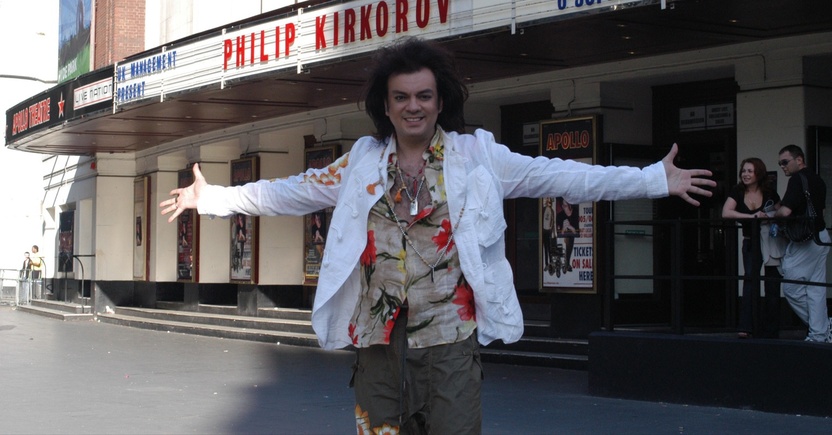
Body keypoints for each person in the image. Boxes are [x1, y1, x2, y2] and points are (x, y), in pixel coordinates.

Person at [160, 37, 716, 433]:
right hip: (377, 341)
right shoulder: (361, 162)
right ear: (386, 105)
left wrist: (652, 179)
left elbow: (561, 175)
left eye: (423, 96)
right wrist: (213, 199)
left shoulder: (477, 157)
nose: (413, 107)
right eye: (402, 97)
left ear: (440, 100)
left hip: (450, 339)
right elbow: (291, 192)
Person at [774, 144, 832, 343]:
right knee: (816, 289)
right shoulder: (818, 180)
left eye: (785, 162)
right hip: (821, 235)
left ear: (799, 160)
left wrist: (773, 214)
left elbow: (785, 211)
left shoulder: (796, 180)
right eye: (780, 163)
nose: (782, 166)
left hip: (806, 239)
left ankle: (822, 327)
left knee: (791, 288)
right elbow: (821, 210)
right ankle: (819, 334)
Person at [721, 158, 782, 339]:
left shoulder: (770, 192)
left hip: (769, 241)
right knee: (750, 282)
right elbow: (726, 212)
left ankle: (771, 329)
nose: (745, 174)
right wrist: (752, 217)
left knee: (772, 283)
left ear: (759, 173)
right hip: (751, 241)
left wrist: (770, 216)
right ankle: (746, 326)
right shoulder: (737, 191)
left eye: (750, 171)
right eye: (743, 171)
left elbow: (781, 213)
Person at [556, 198, 579, 272]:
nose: (564, 207)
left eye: (566, 205)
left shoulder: (576, 213)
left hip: (572, 237)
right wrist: (563, 228)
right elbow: (559, 232)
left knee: (570, 238)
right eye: (563, 206)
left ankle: (567, 263)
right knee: (567, 239)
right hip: (563, 238)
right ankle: (566, 263)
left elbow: (577, 231)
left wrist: (570, 227)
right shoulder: (560, 215)